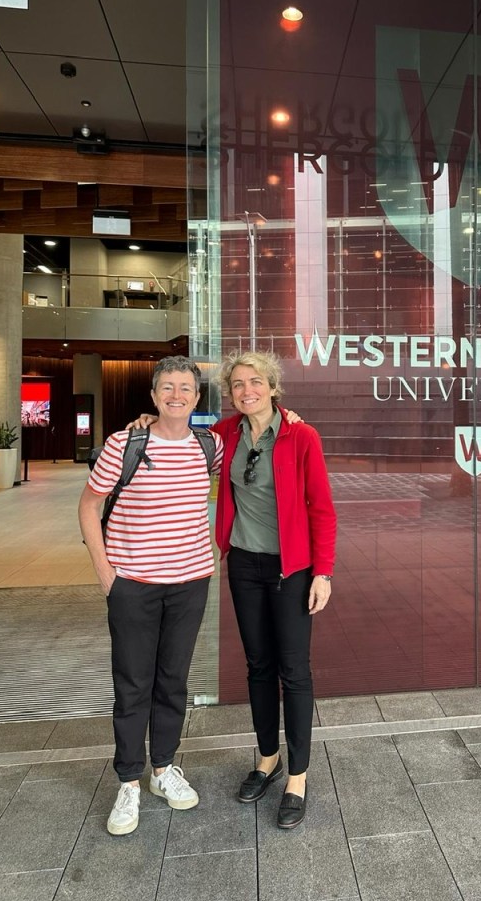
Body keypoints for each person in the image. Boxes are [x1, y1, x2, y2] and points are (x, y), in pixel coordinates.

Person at [133, 350, 336, 829]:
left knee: (294, 669)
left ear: (272, 386)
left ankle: (298, 775)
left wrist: (322, 573)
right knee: (259, 666)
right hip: (244, 565)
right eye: (238, 383)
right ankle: (268, 759)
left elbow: (322, 509)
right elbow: (177, 430)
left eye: (256, 381)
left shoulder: (301, 435)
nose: (247, 390)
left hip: (293, 570)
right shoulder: (223, 435)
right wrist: (148, 417)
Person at [79, 355, 223, 837]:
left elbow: (257, 436)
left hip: (190, 582)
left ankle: (163, 769)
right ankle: (128, 781)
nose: (176, 395)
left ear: (197, 398)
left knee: (173, 681)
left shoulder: (210, 445)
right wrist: (105, 572)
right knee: (133, 684)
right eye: (168, 388)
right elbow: (89, 505)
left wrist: (289, 415)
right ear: (154, 395)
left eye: (186, 388)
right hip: (133, 585)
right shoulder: (126, 442)